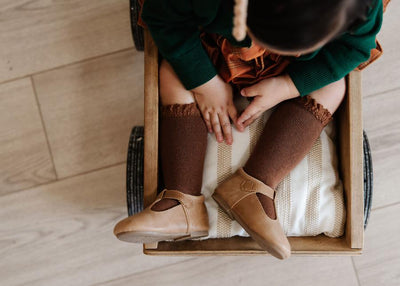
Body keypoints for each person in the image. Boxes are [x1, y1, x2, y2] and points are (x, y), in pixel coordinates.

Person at [114, 0, 384, 259]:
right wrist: (205, 83)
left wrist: (289, 86)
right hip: (218, 51)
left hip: (292, 73)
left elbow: (354, 48)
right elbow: (164, 19)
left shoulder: (357, 6)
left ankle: (255, 186)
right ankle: (182, 203)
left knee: (334, 86)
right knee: (172, 72)